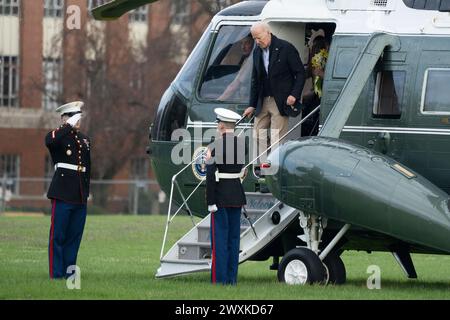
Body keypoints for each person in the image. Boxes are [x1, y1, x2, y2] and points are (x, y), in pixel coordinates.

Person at [243, 21, 305, 158]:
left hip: (281, 100)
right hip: (263, 99)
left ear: (268, 32)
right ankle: (266, 163)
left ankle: (272, 168)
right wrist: (251, 105)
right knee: (258, 134)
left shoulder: (286, 48)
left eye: (259, 37)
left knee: (277, 136)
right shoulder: (256, 52)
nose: (257, 41)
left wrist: (294, 95)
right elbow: (255, 79)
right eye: (254, 39)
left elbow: (300, 73)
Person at [45, 101, 91, 279]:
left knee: (74, 237)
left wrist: (86, 193)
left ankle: (69, 272)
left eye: (78, 116)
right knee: (58, 236)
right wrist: (67, 126)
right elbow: (50, 141)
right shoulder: (57, 136)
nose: (77, 120)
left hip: (79, 194)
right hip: (62, 192)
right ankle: (56, 274)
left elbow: (88, 167)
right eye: (73, 116)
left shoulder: (84, 139)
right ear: (64, 118)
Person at [206, 108, 246, 285]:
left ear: (221, 125)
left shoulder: (214, 146)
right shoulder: (242, 144)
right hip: (236, 195)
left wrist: (210, 201)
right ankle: (231, 279)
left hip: (220, 197)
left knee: (220, 241)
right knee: (233, 240)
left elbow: (210, 176)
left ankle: (219, 280)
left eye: (217, 123)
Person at [301, 34, 330, 137]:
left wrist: (321, 74)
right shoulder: (314, 63)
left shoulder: (325, 62)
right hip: (316, 95)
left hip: (322, 96)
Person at [217, 35, 254, 101]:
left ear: (254, 44)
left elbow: (234, 85)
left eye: (247, 43)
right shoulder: (247, 59)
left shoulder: (251, 60)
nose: (243, 47)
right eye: (242, 43)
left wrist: (218, 101)